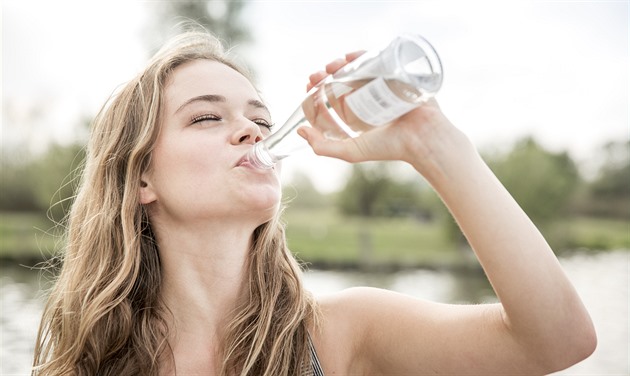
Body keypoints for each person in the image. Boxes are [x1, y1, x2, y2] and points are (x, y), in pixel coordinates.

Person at [32, 28, 596, 376]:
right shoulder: (86, 360)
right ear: (140, 180)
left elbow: (557, 341)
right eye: (207, 117)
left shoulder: (341, 335)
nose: (251, 131)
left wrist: (432, 144)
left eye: (261, 119)